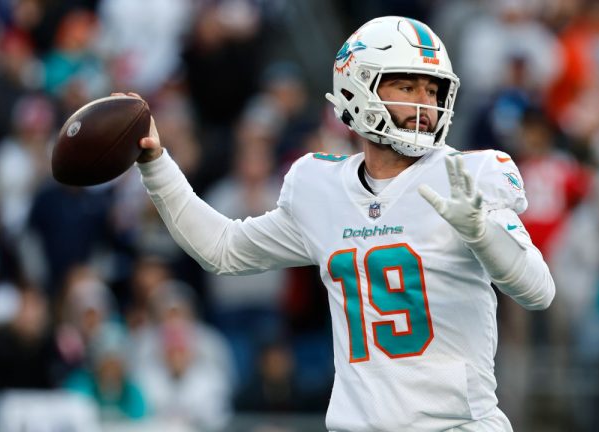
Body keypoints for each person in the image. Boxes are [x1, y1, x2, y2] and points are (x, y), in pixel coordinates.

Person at [131, 16, 555, 432]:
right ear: (357, 87)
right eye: (407, 86)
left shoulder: (469, 177)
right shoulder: (320, 187)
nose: (426, 103)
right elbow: (222, 248)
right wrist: (155, 164)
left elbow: (538, 290)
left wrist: (482, 232)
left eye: (433, 88)